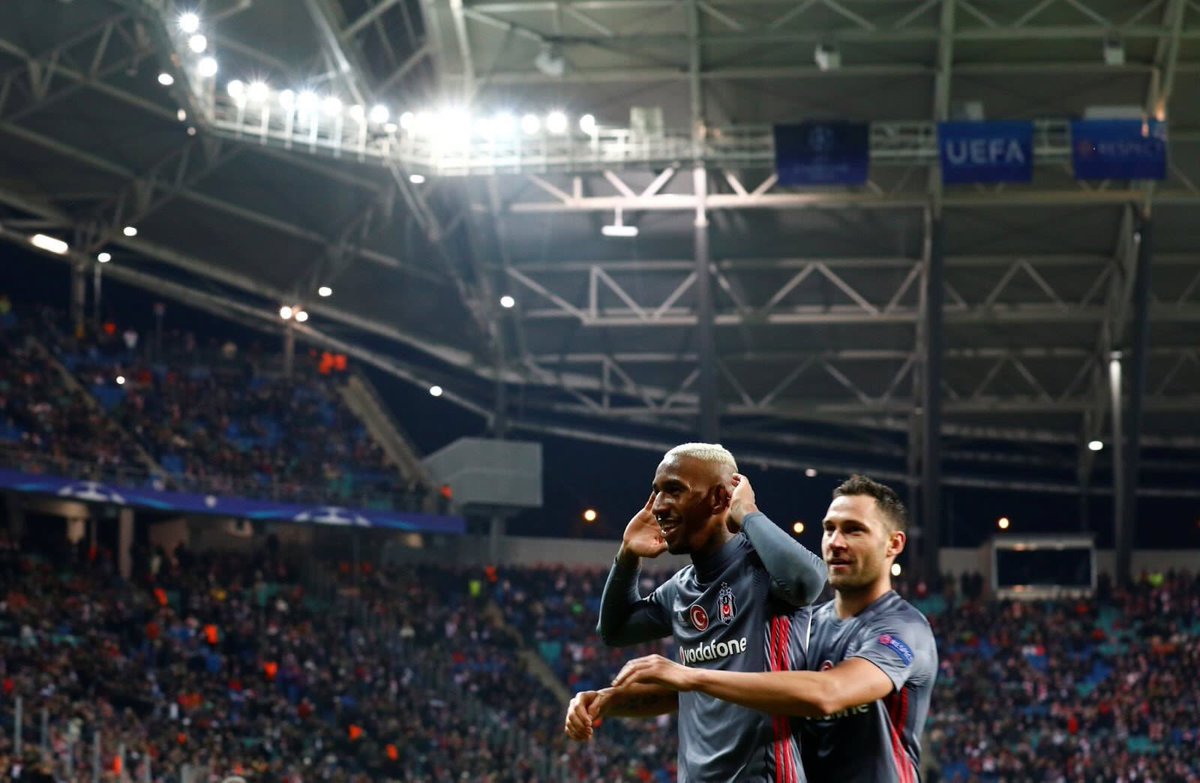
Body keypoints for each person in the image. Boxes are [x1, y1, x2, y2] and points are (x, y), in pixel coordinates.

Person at [612, 474, 937, 783]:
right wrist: (608, 701)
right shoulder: (807, 624)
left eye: (854, 530)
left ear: (893, 544)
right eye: (829, 529)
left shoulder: (904, 628)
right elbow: (702, 691)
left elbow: (829, 693)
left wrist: (693, 675)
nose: (836, 542)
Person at [566, 443, 827, 782]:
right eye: (657, 491)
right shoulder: (681, 588)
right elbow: (614, 631)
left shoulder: (764, 570)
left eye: (674, 490)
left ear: (719, 499)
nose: (658, 506)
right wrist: (628, 555)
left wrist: (748, 513)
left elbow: (807, 583)